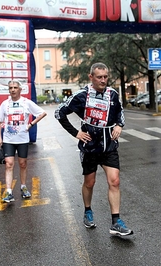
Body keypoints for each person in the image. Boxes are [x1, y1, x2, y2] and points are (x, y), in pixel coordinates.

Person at [55, 62, 133, 236]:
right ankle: (88, 211)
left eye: (106, 77)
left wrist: (119, 125)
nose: (103, 80)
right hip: (89, 146)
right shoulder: (81, 96)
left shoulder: (113, 94)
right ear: (91, 77)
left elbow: (120, 111)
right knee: (90, 183)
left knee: (115, 181)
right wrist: (76, 133)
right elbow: (59, 113)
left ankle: (116, 222)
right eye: (99, 77)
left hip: (109, 145)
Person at [0, 80, 47, 203]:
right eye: (10, 88)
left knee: (23, 164)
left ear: (20, 89)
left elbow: (42, 113)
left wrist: (31, 124)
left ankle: (23, 187)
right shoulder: (5, 104)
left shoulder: (26, 103)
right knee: (9, 163)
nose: (12, 90)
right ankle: (8, 192)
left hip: (23, 139)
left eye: (15, 87)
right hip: (8, 139)